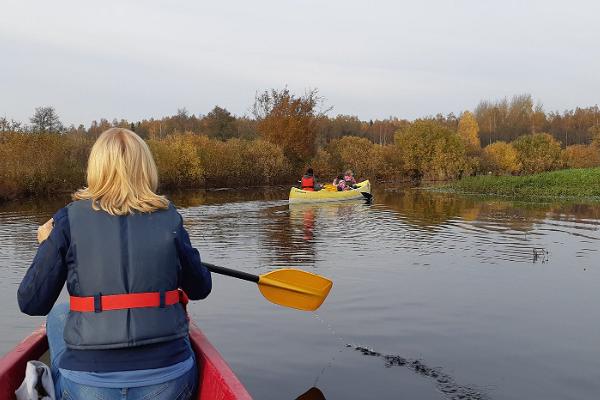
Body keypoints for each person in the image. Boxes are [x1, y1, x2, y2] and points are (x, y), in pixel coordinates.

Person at [17, 128, 211, 400]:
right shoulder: (169, 217)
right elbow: (201, 287)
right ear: (145, 168)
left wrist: (46, 246)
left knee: (59, 315)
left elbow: (31, 303)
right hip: (167, 385)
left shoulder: (67, 220)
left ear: (95, 168)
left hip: (89, 388)